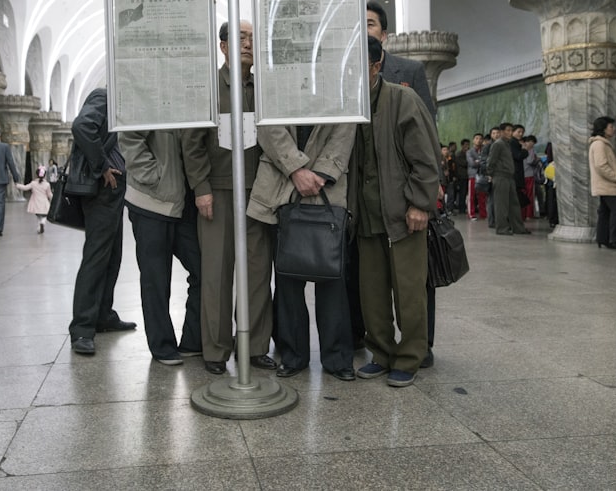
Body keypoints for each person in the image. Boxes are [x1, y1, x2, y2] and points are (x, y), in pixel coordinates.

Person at [182, 20, 276, 375]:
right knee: (217, 272)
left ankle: (253, 348)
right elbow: (192, 143)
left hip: (259, 191)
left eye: (252, 38)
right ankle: (216, 349)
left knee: (256, 270)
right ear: (223, 47)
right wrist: (201, 189)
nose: (248, 44)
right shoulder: (209, 87)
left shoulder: (263, 87)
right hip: (217, 192)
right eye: (240, 38)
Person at [349, 36, 441, 387]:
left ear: (377, 65)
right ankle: (382, 352)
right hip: (367, 214)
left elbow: (425, 158)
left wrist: (421, 203)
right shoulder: (352, 104)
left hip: (402, 213)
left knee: (408, 290)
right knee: (371, 291)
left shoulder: (403, 99)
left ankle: (410, 356)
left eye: (362, 66)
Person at [247, 121, 357, 381]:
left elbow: (345, 129)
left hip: (328, 183)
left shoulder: (337, 82)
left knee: (332, 276)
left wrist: (319, 174)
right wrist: (296, 169)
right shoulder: (275, 80)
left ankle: (337, 358)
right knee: (288, 278)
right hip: (282, 185)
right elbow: (267, 128)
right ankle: (293, 355)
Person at [120, 129, 202, 365]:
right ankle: (162, 347)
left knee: (203, 269)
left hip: (181, 202)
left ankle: (192, 341)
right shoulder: (147, 95)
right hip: (150, 201)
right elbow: (128, 136)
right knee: (155, 278)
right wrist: (153, 176)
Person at [68, 88, 135, 356]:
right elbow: (82, 126)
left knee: (112, 255)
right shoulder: (104, 96)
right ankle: (82, 328)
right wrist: (103, 165)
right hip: (101, 188)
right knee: (96, 257)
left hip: (112, 190)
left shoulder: (119, 99)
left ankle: (103, 315)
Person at [589, 116, 616, 250]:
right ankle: (615, 239)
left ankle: (603, 238)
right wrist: (615, 177)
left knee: (605, 211)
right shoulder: (600, 144)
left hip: (604, 184)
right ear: (603, 129)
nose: (614, 129)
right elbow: (601, 165)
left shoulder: (601, 143)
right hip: (607, 184)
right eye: (611, 127)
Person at [487, 123, 528, 235]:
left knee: (514, 204)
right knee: (501, 204)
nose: (510, 133)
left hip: (509, 177)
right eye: (508, 130)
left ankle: (518, 228)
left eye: (511, 130)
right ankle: (502, 228)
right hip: (500, 176)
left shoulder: (508, 144)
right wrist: (491, 174)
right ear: (501, 132)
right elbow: (491, 161)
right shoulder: (498, 144)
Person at [15, 165, 53, 234]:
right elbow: (49, 194)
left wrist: (17, 185)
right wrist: (53, 200)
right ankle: (42, 223)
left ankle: (39, 227)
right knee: (44, 216)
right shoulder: (47, 184)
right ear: (44, 175)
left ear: (36, 174)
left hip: (36, 203)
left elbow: (25, 187)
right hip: (44, 203)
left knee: (38, 215)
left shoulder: (33, 183)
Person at [466, 133, 486, 220]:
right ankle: (471, 214)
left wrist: (478, 161)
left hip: (482, 175)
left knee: (482, 196)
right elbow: (472, 163)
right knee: (472, 196)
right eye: (477, 138)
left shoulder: (485, 151)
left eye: (480, 138)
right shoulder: (469, 152)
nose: (479, 140)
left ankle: (483, 214)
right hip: (473, 175)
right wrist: (481, 161)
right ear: (473, 140)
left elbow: (487, 162)